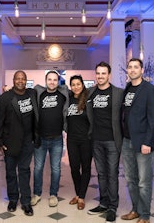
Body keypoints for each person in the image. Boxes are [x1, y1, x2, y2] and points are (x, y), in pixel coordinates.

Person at [120, 58, 154, 223]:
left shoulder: (150, 90)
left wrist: (147, 142)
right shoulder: (128, 89)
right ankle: (136, 210)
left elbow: (153, 118)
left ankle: (145, 216)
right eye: (130, 67)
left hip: (142, 142)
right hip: (127, 141)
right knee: (130, 179)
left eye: (136, 67)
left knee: (144, 182)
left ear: (142, 70)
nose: (132, 69)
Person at [0, 70, 39, 216]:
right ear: (13, 80)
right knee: (11, 172)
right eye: (17, 78)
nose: (20, 81)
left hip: (28, 141)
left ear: (26, 80)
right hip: (10, 141)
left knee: (25, 171)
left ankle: (26, 202)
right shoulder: (5, 98)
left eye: (23, 79)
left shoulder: (32, 94)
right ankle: (13, 199)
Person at [87, 61, 124, 223]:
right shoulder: (90, 92)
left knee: (112, 174)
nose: (100, 76)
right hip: (96, 139)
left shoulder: (118, 93)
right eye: (98, 73)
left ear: (109, 75)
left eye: (103, 73)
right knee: (101, 174)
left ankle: (112, 207)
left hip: (112, 141)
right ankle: (103, 203)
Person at [31, 70, 69, 207]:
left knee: (56, 169)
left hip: (57, 139)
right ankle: (37, 193)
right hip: (40, 139)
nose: (52, 82)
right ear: (45, 80)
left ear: (58, 81)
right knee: (38, 168)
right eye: (49, 79)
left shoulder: (63, 93)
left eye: (55, 79)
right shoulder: (39, 93)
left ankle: (53, 194)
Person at [66, 75, 93, 210]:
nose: (76, 87)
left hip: (86, 140)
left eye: (78, 84)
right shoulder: (68, 99)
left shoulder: (88, 99)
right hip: (71, 139)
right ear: (70, 86)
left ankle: (81, 197)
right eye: (73, 84)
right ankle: (78, 193)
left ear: (82, 85)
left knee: (86, 168)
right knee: (74, 168)